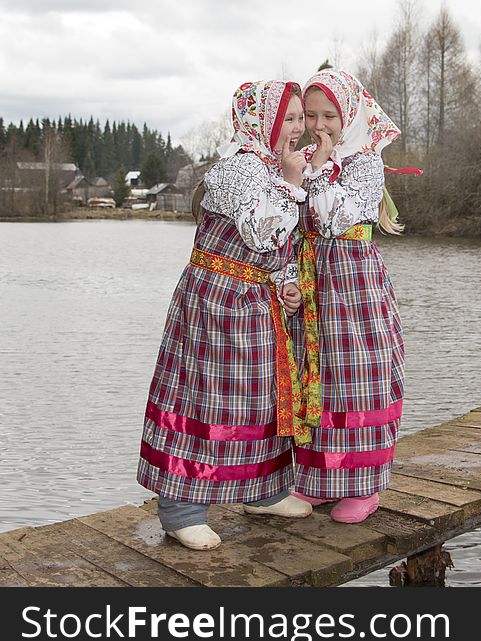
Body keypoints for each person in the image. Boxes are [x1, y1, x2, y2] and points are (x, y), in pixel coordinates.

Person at [136, 80, 314, 550]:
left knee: (260, 398)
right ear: (263, 122)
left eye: (299, 118)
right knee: (204, 399)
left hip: (255, 300)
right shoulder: (239, 169)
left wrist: (287, 282)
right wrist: (293, 185)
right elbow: (259, 229)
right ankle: (180, 509)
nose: (298, 129)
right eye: (289, 119)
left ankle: (264, 491)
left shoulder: (275, 170)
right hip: (215, 301)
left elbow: (279, 246)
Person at [286, 68, 406, 523]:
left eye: (329, 115)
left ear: (349, 114)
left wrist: (316, 170)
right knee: (312, 373)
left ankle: (364, 484)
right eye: (310, 115)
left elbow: (336, 216)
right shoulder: (298, 160)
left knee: (358, 374)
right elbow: (292, 221)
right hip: (312, 276)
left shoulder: (365, 163)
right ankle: (316, 479)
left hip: (353, 283)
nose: (319, 126)